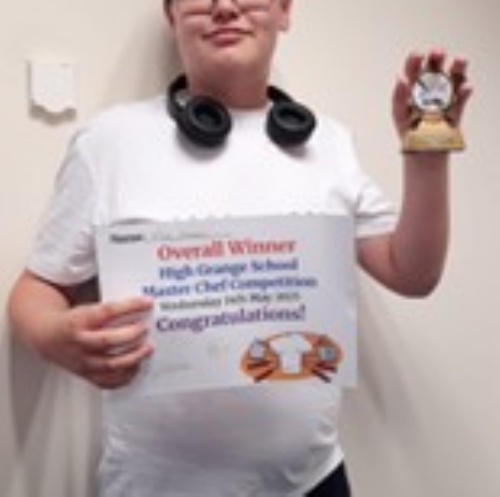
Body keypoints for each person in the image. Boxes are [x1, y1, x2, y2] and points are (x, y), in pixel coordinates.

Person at [7, 0, 472, 495]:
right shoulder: (109, 142)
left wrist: (428, 153)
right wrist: (54, 336)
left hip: (311, 482)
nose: (225, 6)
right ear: (171, 15)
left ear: (284, 10)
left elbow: (412, 273)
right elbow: (35, 291)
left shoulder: (330, 144)